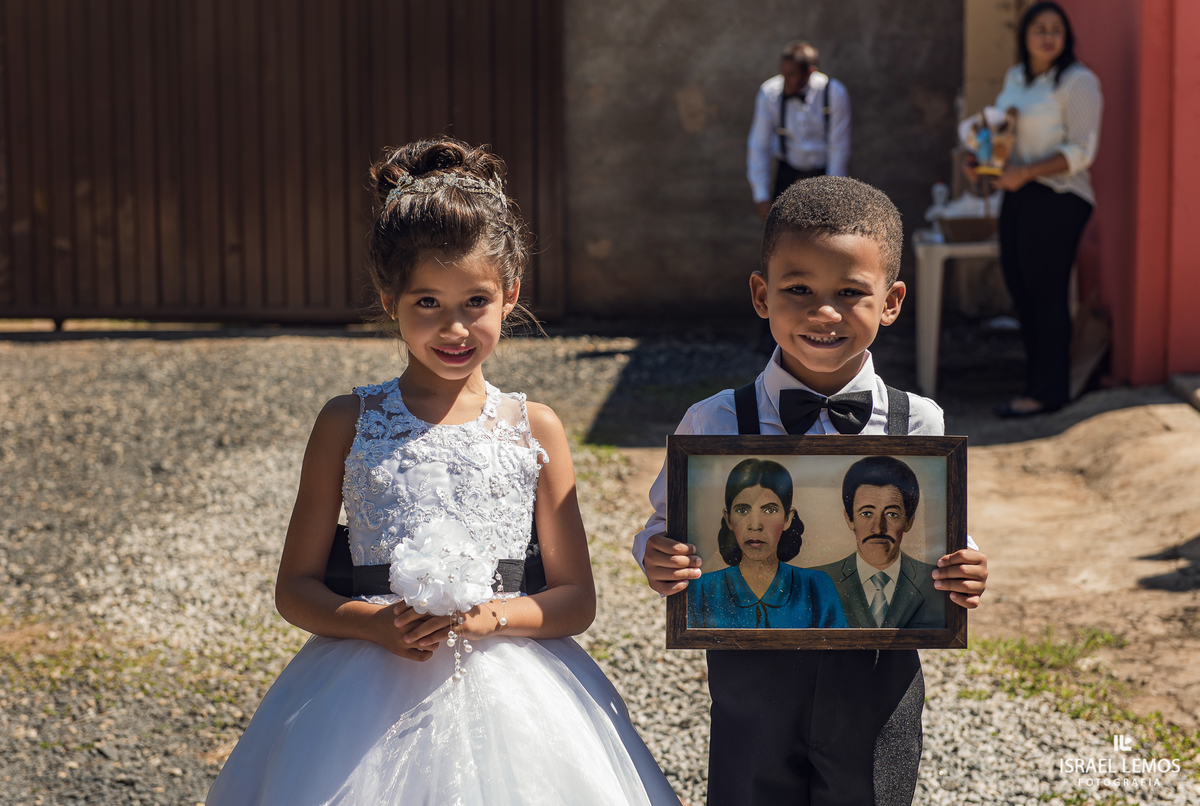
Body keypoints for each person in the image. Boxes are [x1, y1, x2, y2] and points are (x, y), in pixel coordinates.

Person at [206, 138, 678, 806]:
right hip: (363, 683)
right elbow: (295, 588)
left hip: (518, 692)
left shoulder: (532, 426)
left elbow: (575, 598)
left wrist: (492, 618)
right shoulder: (348, 420)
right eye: (426, 302)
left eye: (474, 302)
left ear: (509, 294)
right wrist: (370, 625)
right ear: (387, 298)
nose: (453, 328)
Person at [633, 176, 989, 805]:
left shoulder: (920, 423)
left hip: (878, 680)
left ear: (892, 301)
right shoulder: (713, 421)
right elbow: (662, 528)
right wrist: (656, 556)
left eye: (851, 292)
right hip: (754, 678)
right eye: (798, 290)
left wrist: (963, 569)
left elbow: (940, 536)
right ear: (760, 294)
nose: (824, 313)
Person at [967, 1, 1102, 418]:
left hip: (1060, 194)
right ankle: (1035, 383)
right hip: (1019, 191)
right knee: (1021, 288)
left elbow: (1082, 151)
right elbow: (1003, 131)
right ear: (1024, 37)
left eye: (1056, 29)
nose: (1048, 36)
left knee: (1046, 291)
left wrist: (1025, 173)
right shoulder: (1016, 78)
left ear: (1066, 37)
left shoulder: (1078, 82)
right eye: (1038, 29)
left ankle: (1048, 393)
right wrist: (982, 158)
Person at [687, 458, 847, 629]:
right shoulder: (702, 588)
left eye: (770, 510)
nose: (755, 525)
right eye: (742, 510)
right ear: (728, 518)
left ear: (788, 518)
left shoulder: (815, 585)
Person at [812, 456, 945, 629]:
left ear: (909, 521)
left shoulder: (936, 582)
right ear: (849, 518)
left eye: (891, 514)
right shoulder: (814, 583)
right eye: (866, 513)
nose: (878, 528)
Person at [747, 40, 851, 222]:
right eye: (783, 74)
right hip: (788, 170)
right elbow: (759, 145)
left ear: (810, 72)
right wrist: (761, 195)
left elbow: (839, 147)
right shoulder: (769, 93)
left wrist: (834, 196)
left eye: (792, 75)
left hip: (824, 172)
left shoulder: (834, 93)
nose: (785, 81)